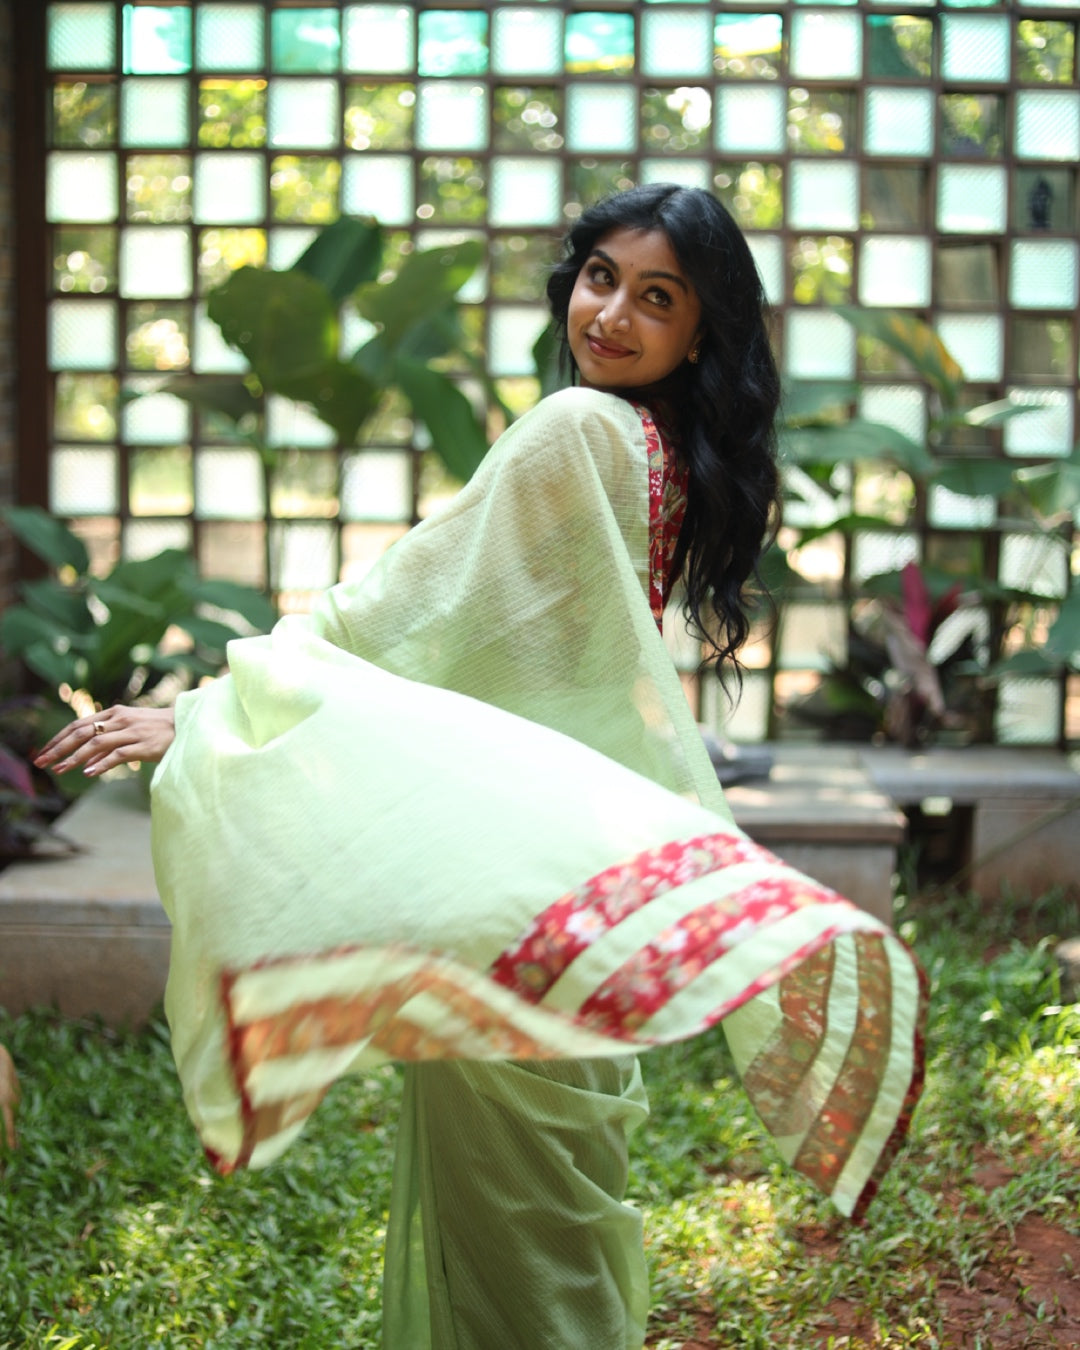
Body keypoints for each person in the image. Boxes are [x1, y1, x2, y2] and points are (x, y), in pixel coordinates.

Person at [37, 184, 925, 1350]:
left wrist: (209, 710)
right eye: (601, 278)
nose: (612, 314)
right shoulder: (662, 450)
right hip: (581, 863)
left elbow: (405, 610)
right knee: (556, 1202)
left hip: (520, 867)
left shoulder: (578, 430)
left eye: (657, 298)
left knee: (518, 1215)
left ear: (700, 330)